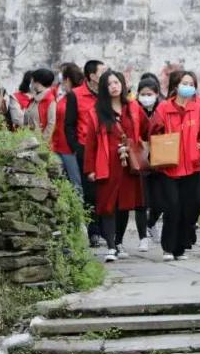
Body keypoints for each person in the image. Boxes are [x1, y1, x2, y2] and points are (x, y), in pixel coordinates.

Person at [149, 70, 200, 261]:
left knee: (191, 206)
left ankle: (180, 246)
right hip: (170, 166)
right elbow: (153, 131)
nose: (188, 87)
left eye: (191, 83)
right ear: (176, 86)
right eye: (184, 83)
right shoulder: (163, 108)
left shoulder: (198, 109)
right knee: (172, 206)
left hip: (193, 165)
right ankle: (169, 248)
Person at [84, 70, 146, 263]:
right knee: (108, 205)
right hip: (107, 163)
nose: (114, 86)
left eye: (117, 82)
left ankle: (118, 241)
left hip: (129, 164)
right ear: (104, 87)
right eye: (109, 83)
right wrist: (90, 169)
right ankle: (110, 246)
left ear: (122, 85)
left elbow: (148, 127)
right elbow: (90, 143)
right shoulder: (96, 113)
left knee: (124, 206)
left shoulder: (134, 108)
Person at [65, 59, 106, 246]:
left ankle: (107, 229)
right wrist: (77, 148)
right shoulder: (75, 95)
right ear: (92, 76)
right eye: (102, 72)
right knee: (90, 192)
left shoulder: (108, 93)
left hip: (107, 148)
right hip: (85, 150)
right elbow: (69, 125)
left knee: (106, 189)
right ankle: (93, 231)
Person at [136, 75, 164, 252]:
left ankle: (151, 222)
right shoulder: (133, 109)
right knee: (141, 200)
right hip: (140, 156)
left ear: (156, 94)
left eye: (150, 94)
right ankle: (142, 237)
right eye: (143, 94)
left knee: (160, 200)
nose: (146, 97)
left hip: (160, 157)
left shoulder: (163, 108)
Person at [51, 63, 84, 195]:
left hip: (70, 148)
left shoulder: (77, 96)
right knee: (60, 184)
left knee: (76, 184)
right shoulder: (64, 96)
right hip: (57, 145)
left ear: (68, 79)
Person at [25, 68, 57, 139]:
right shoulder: (34, 99)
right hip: (28, 140)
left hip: (39, 144)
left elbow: (51, 124)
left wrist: (42, 142)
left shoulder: (50, 100)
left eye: (33, 80)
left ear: (38, 82)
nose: (31, 83)